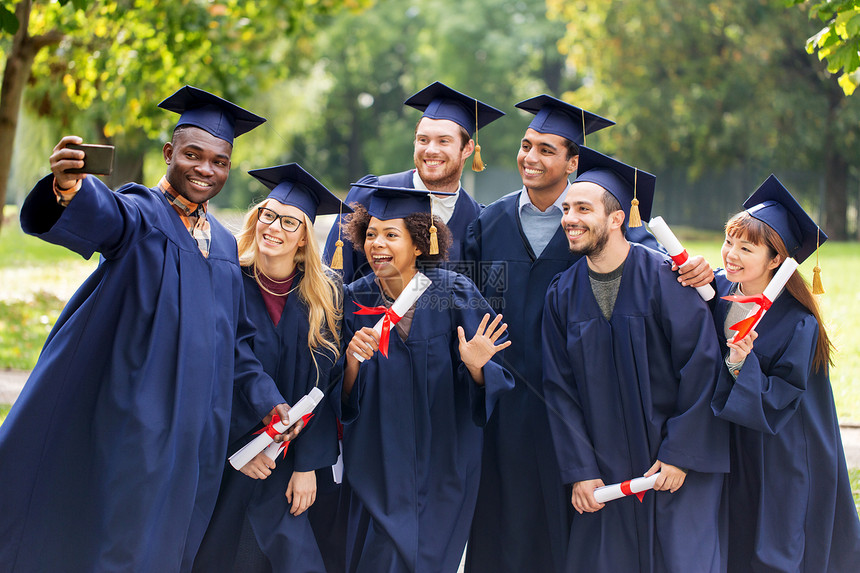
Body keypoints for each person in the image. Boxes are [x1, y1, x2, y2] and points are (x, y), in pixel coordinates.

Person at [0, 86, 299, 573]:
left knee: (172, 546)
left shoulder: (222, 246)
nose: (206, 169)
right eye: (193, 155)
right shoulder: (142, 214)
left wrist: (267, 397)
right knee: (122, 541)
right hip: (138, 425)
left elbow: (238, 345)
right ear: (169, 154)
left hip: (195, 437)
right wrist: (70, 188)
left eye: (219, 161)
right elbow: (108, 215)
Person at [463, 95, 712, 573]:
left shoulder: (602, 229)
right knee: (506, 525)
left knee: (579, 531)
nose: (531, 157)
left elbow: (662, 282)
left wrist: (707, 274)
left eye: (547, 149)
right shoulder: (487, 224)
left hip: (587, 411)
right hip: (507, 404)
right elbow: (465, 302)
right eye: (525, 145)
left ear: (572, 163)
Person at [540, 147, 729, 572]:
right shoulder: (561, 294)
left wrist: (682, 452)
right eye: (567, 208)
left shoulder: (666, 280)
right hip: (604, 475)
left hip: (670, 468)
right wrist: (579, 470)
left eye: (583, 208)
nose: (569, 217)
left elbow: (702, 367)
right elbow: (559, 389)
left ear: (616, 218)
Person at [332, 184, 514, 572]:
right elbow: (340, 398)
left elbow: (491, 384)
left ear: (419, 243)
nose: (377, 244)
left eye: (391, 234)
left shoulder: (454, 294)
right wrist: (350, 361)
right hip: (374, 465)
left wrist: (476, 365)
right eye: (371, 234)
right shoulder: (350, 300)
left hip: (442, 466)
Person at [192, 164, 348, 573]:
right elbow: (209, 373)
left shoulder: (324, 296)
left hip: (289, 464)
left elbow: (325, 388)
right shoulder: (225, 280)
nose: (274, 227)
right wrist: (239, 450)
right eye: (268, 214)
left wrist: (307, 465)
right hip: (227, 457)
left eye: (290, 221)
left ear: (303, 238)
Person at [708, 175, 860, 572]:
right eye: (729, 241)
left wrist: (743, 362)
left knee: (781, 543)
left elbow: (781, 397)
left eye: (746, 247)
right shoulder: (716, 293)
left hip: (788, 447)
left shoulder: (798, 320)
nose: (731, 255)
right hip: (737, 440)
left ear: (776, 259)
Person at [323, 81, 504, 282]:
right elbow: (333, 278)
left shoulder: (478, 219)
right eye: (423, 140)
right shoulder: (372, 194)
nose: (431, 150)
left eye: (444, 141)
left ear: (468, 149)